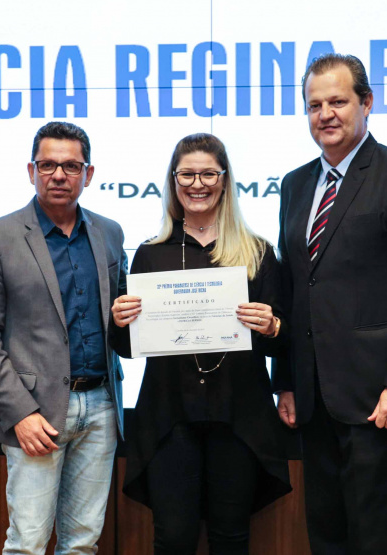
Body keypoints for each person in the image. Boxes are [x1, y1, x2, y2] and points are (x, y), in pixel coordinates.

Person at [273, 53, 387, 554]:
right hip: (315, 406)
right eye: (314, 105)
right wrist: (285, 380)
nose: (325, 114)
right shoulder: (295, 184)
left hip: (382, 405)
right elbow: (294, 289)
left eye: (338, 101)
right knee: (327, 541)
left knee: (381, 544)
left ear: (367, 103)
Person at [110, 133, 292, 554]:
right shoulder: (150, 254)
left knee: (231, 538)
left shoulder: (257, 252)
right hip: (170, 419)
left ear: (225, 180)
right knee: (173, 539)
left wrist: (272, 327)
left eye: (208, 173)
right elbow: (125, 345)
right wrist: (119, 322)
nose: (198, 183)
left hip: (240, 417)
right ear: (173, 182)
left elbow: (284, 342)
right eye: (187, 174)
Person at [0, 121, 127, 555]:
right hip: (35, 417)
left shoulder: (110, 233)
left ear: (88, 174)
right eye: (48, 165)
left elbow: (122, 315)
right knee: (28, 543)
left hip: (101, 408)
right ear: (31, 170)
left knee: (82, 544)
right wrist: (20, 413)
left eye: (71, 166)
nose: (59, 175)